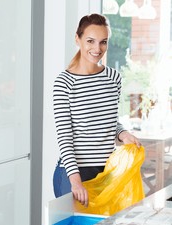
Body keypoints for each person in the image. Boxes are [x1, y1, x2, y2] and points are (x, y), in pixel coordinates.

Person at [52, 13, 141, 207]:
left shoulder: (113, 78)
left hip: (106, 172)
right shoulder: (64, 83)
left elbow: (110, 121)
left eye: (103, 42)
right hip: (73, 173)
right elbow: (64, 136)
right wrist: (75, 182)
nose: (97, 48)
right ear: (78, 39)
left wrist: (123, 133)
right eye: (90, 41)